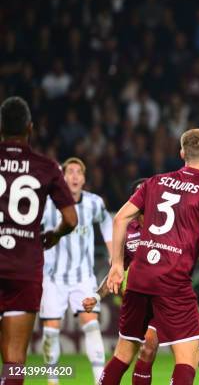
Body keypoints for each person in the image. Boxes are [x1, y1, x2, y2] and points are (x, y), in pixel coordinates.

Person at [99, 129, 199, 385]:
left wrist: (116, 265)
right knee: (187, 360)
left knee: (123, 354)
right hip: (172, 282)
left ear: (182, 154)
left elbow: (119, 218)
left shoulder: (155, 181)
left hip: (139, 277)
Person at [0, 96, 77, 385]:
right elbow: (70, 219)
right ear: (30, 128)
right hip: (24, 268)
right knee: (15, 359)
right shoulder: (45, 167)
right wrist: (54, 236)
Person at [40, 157, 112, 384]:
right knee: (51, 332)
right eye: (69, 171)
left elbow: (107, 222)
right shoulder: (48, 204)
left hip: (83, 278)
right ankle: (53, 380)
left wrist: (113, 253)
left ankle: (99, 380)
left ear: (83, 178)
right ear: (62, 177)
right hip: (53, 278)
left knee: (92, 327)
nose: (73, 176)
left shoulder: (94, 203)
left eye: (78, 172)